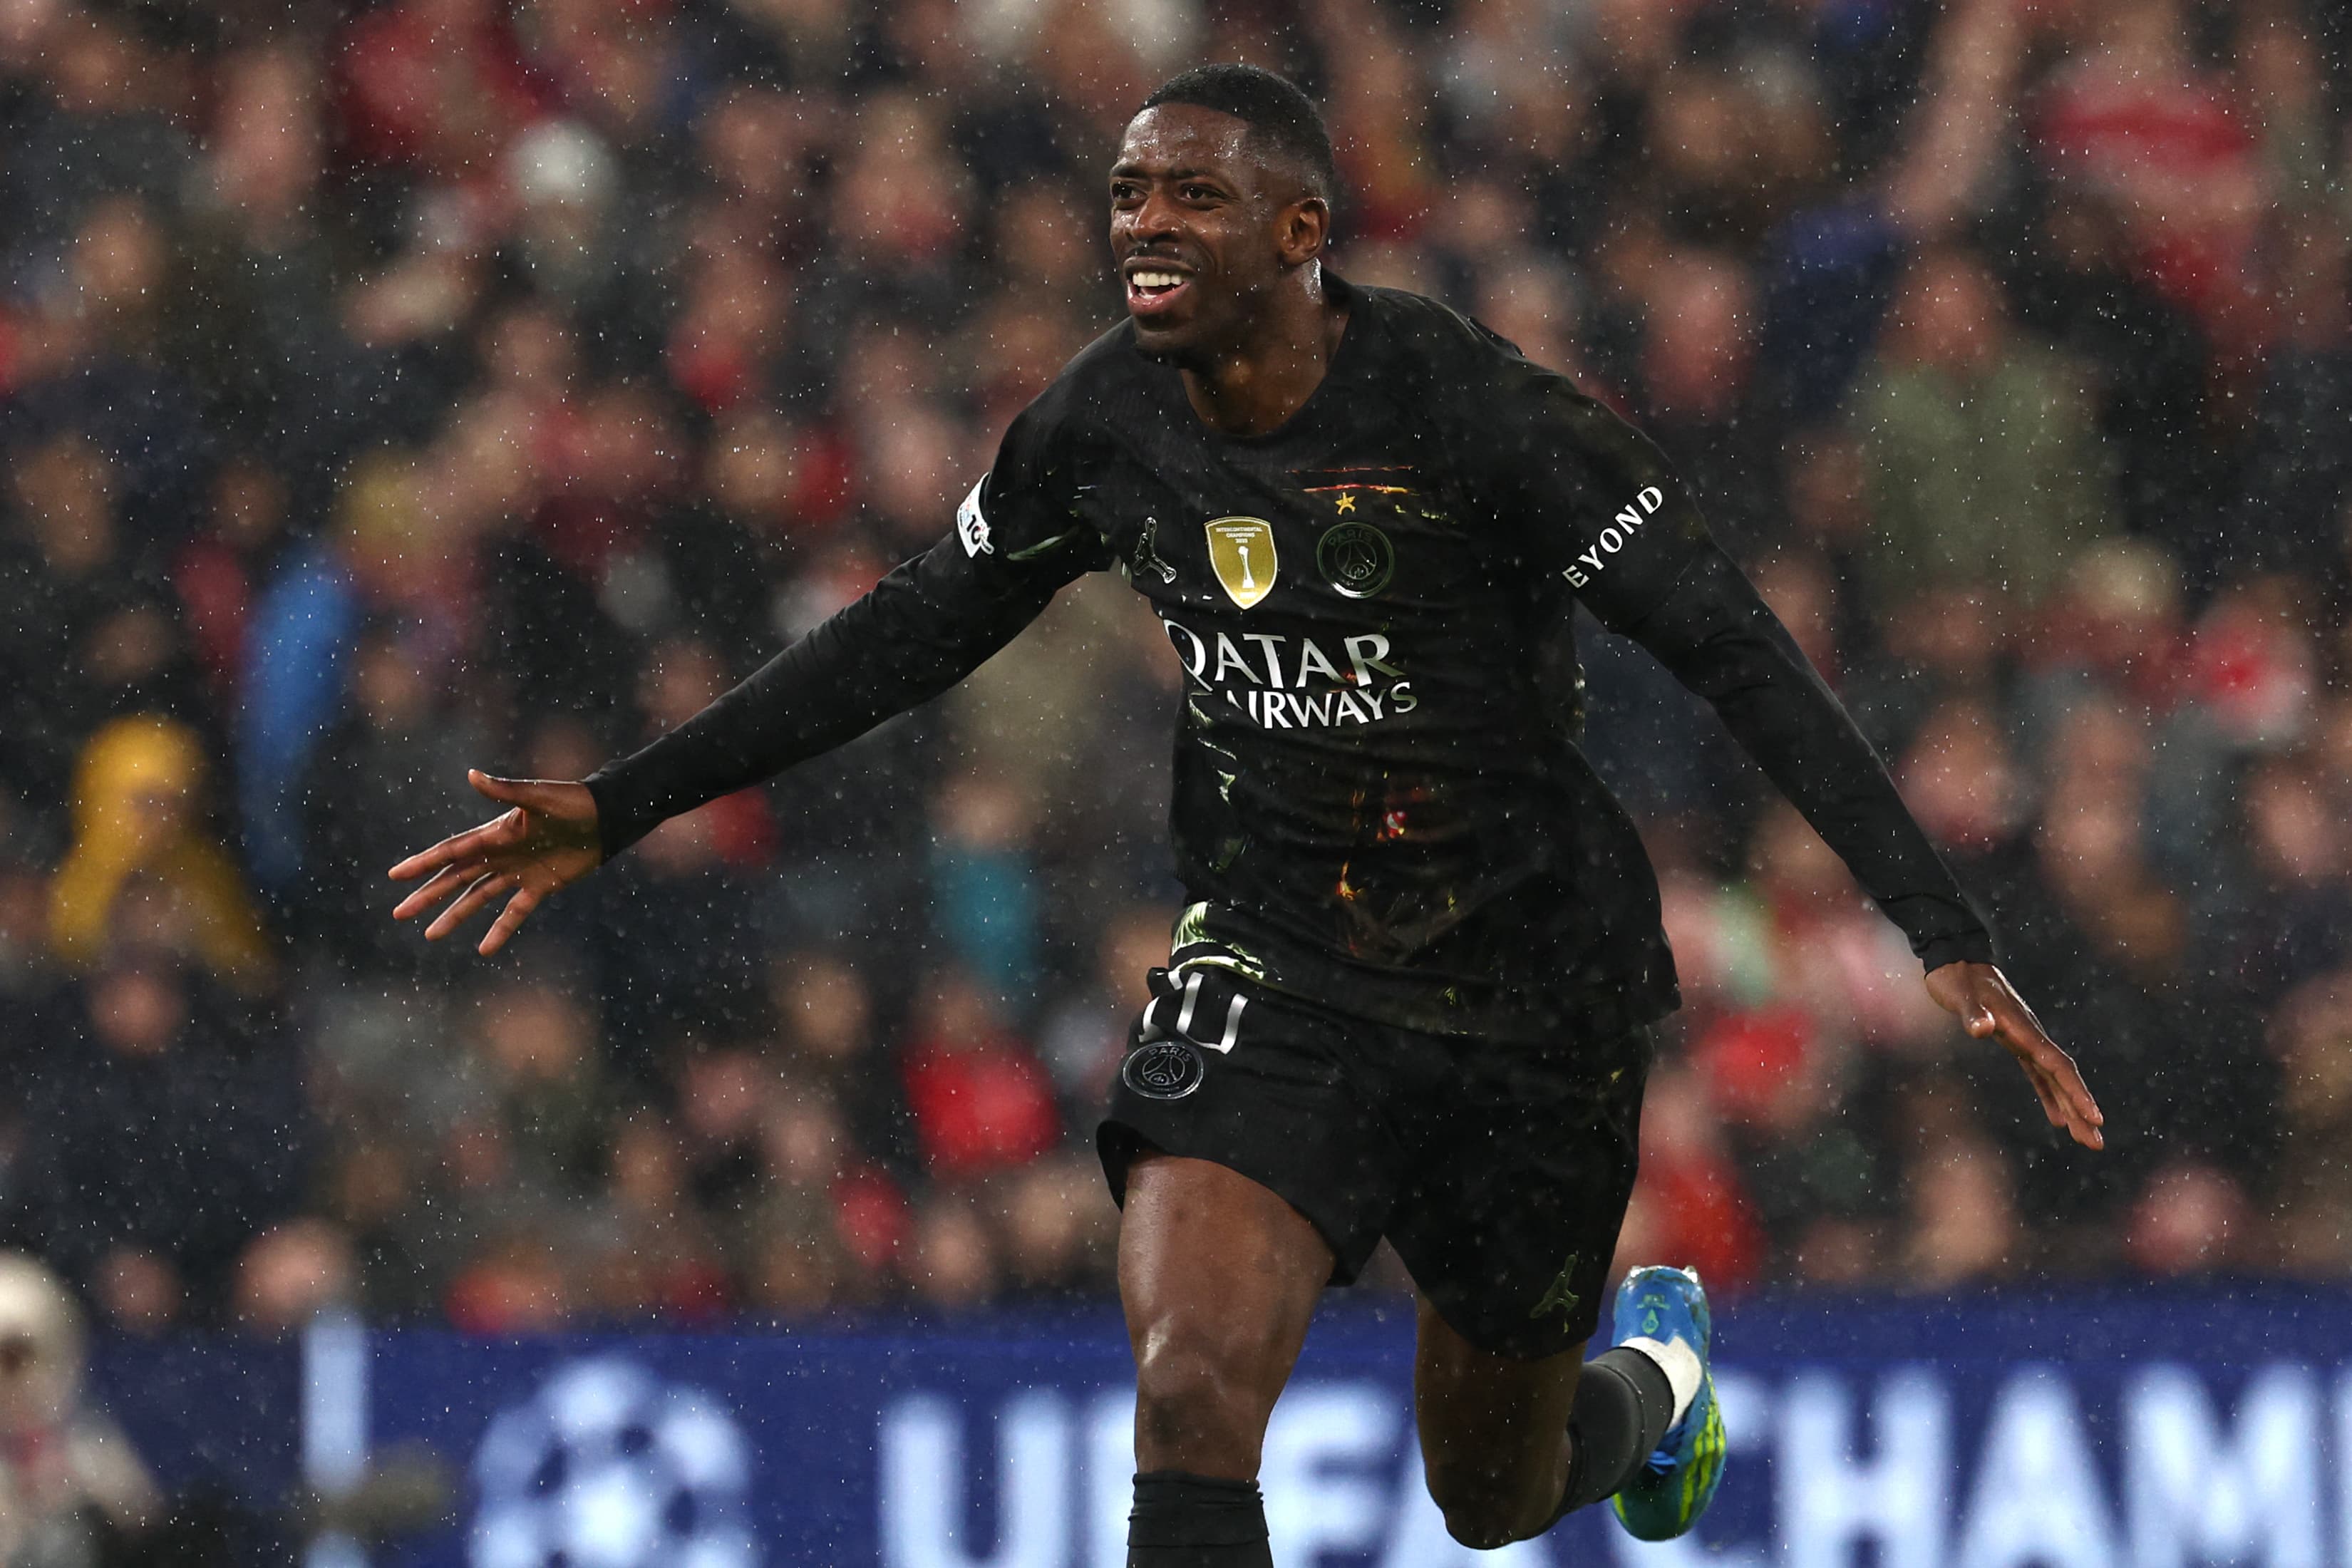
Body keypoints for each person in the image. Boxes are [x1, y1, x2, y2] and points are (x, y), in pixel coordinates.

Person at [390, 64, 2103, 1561]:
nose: (1144, 224)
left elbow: (1738, 649)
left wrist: (1941, 930)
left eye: (1193, 196)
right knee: (1191, 1389)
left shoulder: (1477, 415)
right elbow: (912, 628)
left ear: (1300, 234)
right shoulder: (1103, 422)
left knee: (1491, 1493)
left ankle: (1652, 1386)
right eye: (1129, 192)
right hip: (1278, 956)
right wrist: (623, 806)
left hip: (1531, 992)